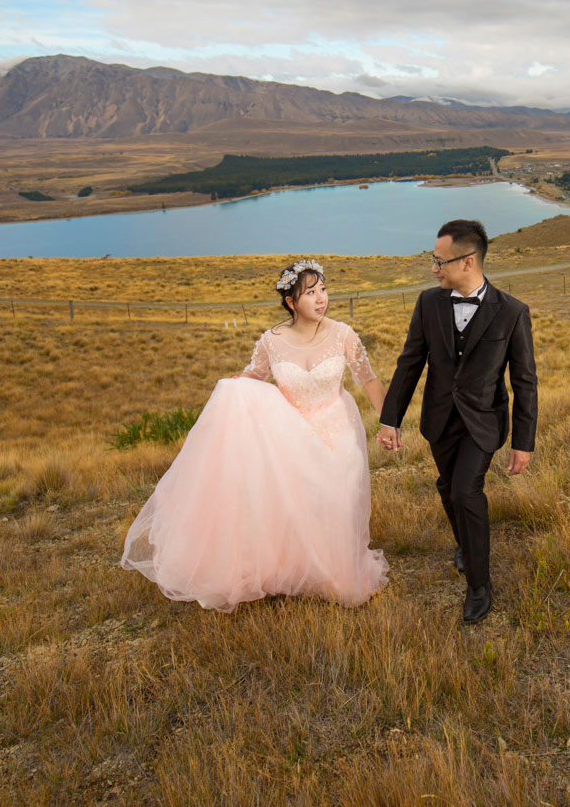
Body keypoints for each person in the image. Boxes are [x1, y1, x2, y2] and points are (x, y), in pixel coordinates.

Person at [120, 259, 389, 612]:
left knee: (339, 501)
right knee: (299, 505)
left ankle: (339, 572)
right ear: (291, 302)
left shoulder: (343, 334)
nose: (321, 299)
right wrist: (233, 389)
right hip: (291, 432)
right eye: (310, 293)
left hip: (339, 427)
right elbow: (253, 378)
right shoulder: (271, 341)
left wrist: (388, 422)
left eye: (323, 289)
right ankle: (304, 568)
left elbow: (367, 379)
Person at [377, 220, 537, 624]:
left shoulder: (513, 312)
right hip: (439, 420)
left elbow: (524, 381)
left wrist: (524, 442)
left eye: (439, 260)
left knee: (467, 492)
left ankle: (480, 586)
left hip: (483, 423)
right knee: (448, 489)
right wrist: (390, 420)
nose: (433, 268)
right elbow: (410, 362)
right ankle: (466, 545)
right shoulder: (428, 303)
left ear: (467, 262)